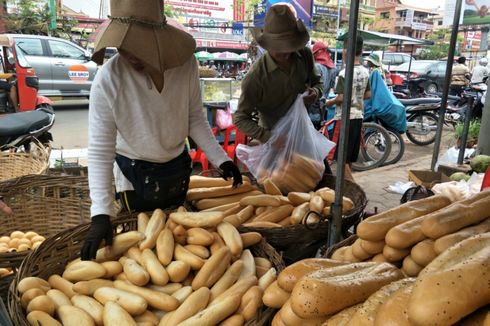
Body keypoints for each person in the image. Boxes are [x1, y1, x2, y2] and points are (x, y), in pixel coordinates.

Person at [81, 0, 242, 260]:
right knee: (141, 249)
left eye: (140, 46)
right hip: (133, 175)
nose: (131, 55)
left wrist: (221, 159)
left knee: (177, 245)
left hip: (176, 169)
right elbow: (101, 151)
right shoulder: (108, 79)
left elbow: (194, 118)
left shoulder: (185, 64)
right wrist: (101, 213)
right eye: (124, 46)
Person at [234, 4, 323, 144]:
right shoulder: (256, 76)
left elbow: (318, 83)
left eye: (290, 46)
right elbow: (240, 118)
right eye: (280, 48)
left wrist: (315, 93)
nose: (286, 53)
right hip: (273, 141)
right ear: (267, 45)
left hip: (303, 134)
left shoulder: (304, 55)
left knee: (320, 166)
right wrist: (269, 138)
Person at [325, 35, 371, 183]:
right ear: (361, 50)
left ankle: (354, 188)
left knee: (341, 159)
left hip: (344, 119)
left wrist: (329, 103)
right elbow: (368, 95)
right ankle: (346, 188)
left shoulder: (344, 73)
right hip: (358, 117)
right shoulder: (365, 71)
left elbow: (341, 98)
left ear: (345, 51)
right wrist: (356, 98)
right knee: (349, 158)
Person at [306, 41, 336, 129]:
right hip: (323, 107)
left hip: (312, 108)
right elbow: (332, 87)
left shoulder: (317, 67)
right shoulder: (333, 68)